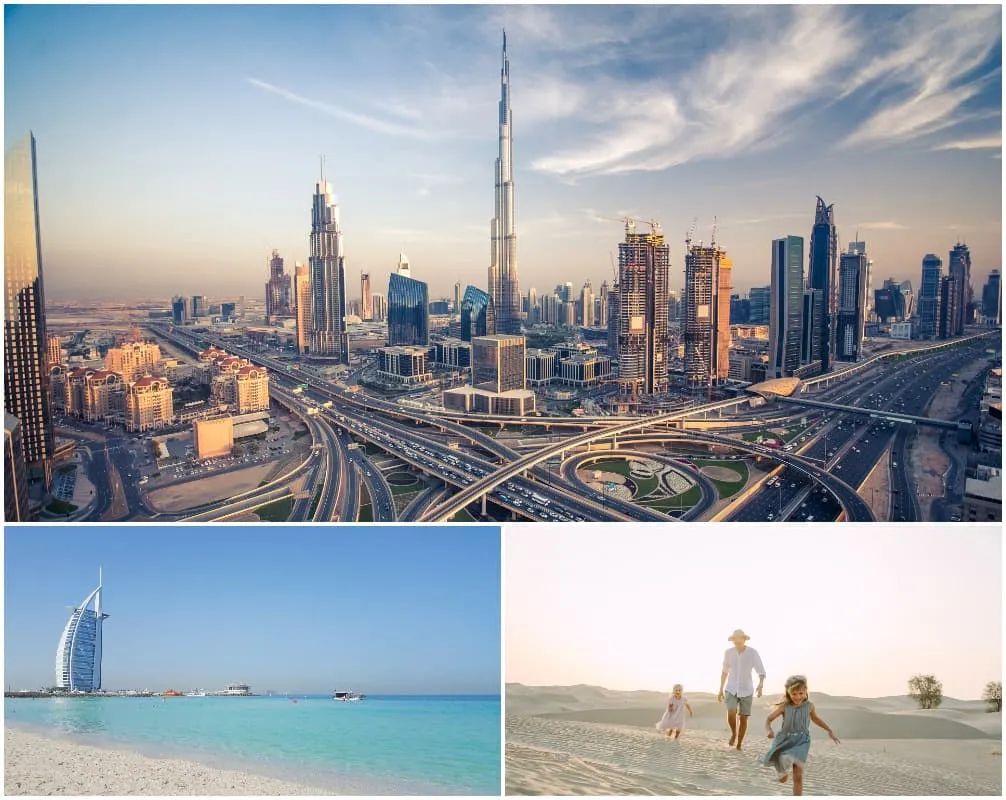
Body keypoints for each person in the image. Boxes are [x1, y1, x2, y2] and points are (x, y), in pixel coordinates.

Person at [762, 675, 840, 796]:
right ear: (789, 693)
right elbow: (768, 719)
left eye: (800, 693)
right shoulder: (784, 706)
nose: (797, 697)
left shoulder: (810, 706)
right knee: (783, 778)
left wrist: (829, 730)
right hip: (785, 740)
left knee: (798, 776)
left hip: (802, 741)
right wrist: (769, 730)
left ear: (805, 692)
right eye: (794, 694)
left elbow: (816, 719)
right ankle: (783, 768)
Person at [717, 628, 766, 750]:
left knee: (743, 718)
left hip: (746, 689)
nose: (737, 641)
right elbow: (724, 672)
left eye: (739, 638)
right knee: (731, 713)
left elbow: (761, 670)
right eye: (735, 639)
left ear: (744, 639)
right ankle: (734, 733)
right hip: (731, 688)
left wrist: (760, 685)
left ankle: (739, 743)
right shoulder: (728, 653)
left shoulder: (752, 653)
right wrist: (720, 689)